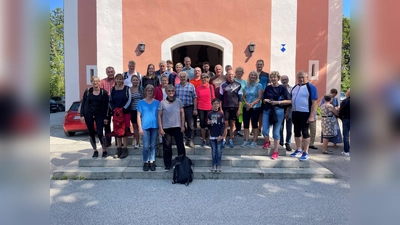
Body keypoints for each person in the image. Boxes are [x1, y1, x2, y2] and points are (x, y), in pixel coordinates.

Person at [289, 71, 319, 161]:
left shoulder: (311, 87)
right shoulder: (295, 87)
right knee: (296, 131)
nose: (301, 79)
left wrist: (312, 116)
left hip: (305, 113)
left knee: (305, 132)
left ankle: (305, 152)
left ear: (307, 77)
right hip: (295, 112)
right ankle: (298, 149)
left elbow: (314, 102)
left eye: (303, 77)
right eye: (299, 77)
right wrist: (288, 112)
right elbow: (291, 100)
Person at [262, 71, 291, 159]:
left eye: (275, 77)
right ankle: (267, 141)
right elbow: (263, 99)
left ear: (278, 78)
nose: (273, 79)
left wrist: (277, 102)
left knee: (276, 132)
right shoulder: (268, 88)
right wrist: (265, 100)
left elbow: (289, 101)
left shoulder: (282, 88)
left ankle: (275, 151)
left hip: (278, 111)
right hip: (267, 110)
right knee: (264, 131)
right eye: (272, 77)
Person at [80, 76, 110, 158]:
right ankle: (95, 150)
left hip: (100, 114)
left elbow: (107, 106)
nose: (95, 83)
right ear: (91, 82)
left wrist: (106, 117)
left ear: (99, 82)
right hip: (88, 114)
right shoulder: (87, 92)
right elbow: (83, 104)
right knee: (91, 133)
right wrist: (82, 115)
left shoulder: (103, 92)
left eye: (97, 81)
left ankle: (104, 150)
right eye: (93, 81)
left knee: (100, 133)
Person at [158, 85, 186, 171]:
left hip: (177, 127)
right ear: (166, 92)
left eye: (172, 91)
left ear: (174, 92)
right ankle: (167, 165)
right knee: (167, 147)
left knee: (180, 146)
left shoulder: (178, 101)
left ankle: (182, 163)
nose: (171, 92)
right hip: (166, 128)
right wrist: (160, 128)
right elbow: (159, 115)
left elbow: (182, 114)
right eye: (169, 91)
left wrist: (182, 125)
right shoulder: (162, 102)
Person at [137, 84, 160, 171]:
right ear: (145, 92)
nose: (149, 92)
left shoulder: (157, 102)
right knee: (146, 146)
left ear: (153, 92)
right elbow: (138, 116)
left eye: (151, 91)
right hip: (145, 126)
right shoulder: (141, 102)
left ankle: (152, 161)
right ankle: (146, 161)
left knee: (153, 145)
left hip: (154, 126)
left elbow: (159, 115)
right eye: (148, 91)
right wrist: (139, 128)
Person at [109, 73, 132, 159]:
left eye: (121, 79)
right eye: (117, 79)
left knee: (125, 130)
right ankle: (119, 148)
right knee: (117, 130)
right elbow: (110, 101)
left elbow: (129, 99)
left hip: (125, 112)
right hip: (116, 113)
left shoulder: (127, 89)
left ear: (123, 80)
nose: (119, 81)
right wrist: (114, 109)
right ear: (115, 80)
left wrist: (123, 109)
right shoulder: (112, 90)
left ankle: (125, 148)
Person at [219, 69, 242, 148]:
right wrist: (221, 109)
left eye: (232, 74)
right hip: (225, 107)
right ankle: (224, 139)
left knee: (232, 124)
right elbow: (220, 98)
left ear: (234, 75)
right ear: (226, 75)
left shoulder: (238, 85)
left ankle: (231, 139)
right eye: (229, 74)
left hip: (235, 107)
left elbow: (240, 99)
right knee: (225, 124)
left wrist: (239, 109)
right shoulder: (223, 85)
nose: (230, 76)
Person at [241, 70, 263, 148]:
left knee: (254, 124)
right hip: (246, 107)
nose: (252, 76)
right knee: (246, 124)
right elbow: (243, 96)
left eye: (254, 75)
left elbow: (259, 97)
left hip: (255, 107)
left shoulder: (259, 85)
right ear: (249, 76)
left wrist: (252, 104)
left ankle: (254, 141)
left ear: (256, 77)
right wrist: (246, 103)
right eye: (251, 75)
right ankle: (246, 140)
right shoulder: (246, 85)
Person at [175, 71, 197, 148]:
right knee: (181, 124)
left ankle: (190, 140)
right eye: (181, 77)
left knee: (190, 125)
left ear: (187, 78)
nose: (183, 78)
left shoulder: (191, 86)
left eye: (184, 77)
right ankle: (183, 139)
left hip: (189, 107)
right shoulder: (176, 87)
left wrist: (195, 108)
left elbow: (195, 98)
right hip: (179, 108)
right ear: (179, 78)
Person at [195, 73, 215, 147]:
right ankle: (203, 139)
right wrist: (195, 108)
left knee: (210, 124)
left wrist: (214, 107)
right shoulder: (198, 87)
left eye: (205, 78)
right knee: (202, 124)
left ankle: (210, 139)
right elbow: (196, 98)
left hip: (209, 108)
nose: (204, 80)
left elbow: (213, 97)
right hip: (200, 108)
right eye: (202, 78)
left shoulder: (211, 87)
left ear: (208, 79)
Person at [207, 98, 225, 172]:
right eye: (214, 104)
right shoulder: (209, 114)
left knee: (219, 151)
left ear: (219, 105)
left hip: (219, 136)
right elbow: (208, 126)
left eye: (217, 103)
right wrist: (208, 123)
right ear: (212, 105)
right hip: (212, 135)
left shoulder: (221, 114)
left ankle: (218, 165)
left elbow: (223, 126)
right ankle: (214, 165)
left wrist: (220, 135)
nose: (216, 105)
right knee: (214, 151)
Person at [100, 66, 115, 147]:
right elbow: (101, 93)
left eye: (111, 72)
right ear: (106, 73)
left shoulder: (117, 80)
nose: (110, 73)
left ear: (114, 72)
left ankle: (118, 140)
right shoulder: (102, 81)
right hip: (106, 105)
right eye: (109, 72)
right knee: (107, 125)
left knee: (117, 123)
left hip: (115, 104)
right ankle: (108, 142)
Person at [279, 75, 293, 151]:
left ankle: (288, 143)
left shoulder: (292, 89)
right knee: (280, 128)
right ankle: (281, 142)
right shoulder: (279, 88)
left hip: (290, 110)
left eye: (285, 79)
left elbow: (292, 101)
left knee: (289, 128)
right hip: (281, 109)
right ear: (281, 80)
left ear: (288, 80)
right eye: (283, 79)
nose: (284, 80)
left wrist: (288, 111)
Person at [256, 59, 270, 136]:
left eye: (261, 64)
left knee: (261, 114)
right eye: (258, 64)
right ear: (256, 65)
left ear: (263, 65)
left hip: (263, 96)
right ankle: (254, 128)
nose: (259, 66)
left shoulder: (266, 75)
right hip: (254, 97)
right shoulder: (253, 74)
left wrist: (263, 92)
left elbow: (268, 84)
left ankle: (259, 129)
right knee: (254, 114)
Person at [129, 75, 143, 149]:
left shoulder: (141, 89)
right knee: (135, 126)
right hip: (133, 110)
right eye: (133, 80)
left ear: (139, 81)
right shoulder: (129, 89)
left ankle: (144, 141)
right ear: (131, 81)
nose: (135, 81)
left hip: (142, 110)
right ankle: (137, 142)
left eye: (136, 80)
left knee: (143, 125)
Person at [234, 66, 247, 137]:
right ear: (235, 73)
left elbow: (246, 91)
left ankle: (238, 130)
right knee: (235, 115)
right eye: (238, 71)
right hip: (234, 101)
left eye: (240, 72)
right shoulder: (233, 80)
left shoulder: (244, 82)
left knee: (240, 116)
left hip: (242, 101)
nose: (239, 73)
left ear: (242, 73)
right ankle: (234, 130)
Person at [190, 67, 203, 134]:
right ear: (194, 72)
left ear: (200, 72)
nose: (197, 72)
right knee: (193, 117)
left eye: (198, 71)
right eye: (195, 71)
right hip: (193, 101)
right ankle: (194, 130)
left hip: (201, 101)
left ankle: (202, 130)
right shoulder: (191, 81)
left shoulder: (202, 81)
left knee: (202, 117)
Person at [339, 88, 350, 156]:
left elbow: (341, 111)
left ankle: (346, 151)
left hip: (346, 119)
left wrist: (341, 118)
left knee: (345, 136)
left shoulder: (345, 101)